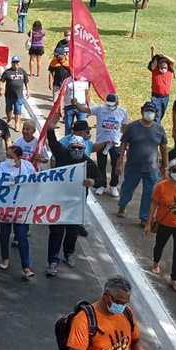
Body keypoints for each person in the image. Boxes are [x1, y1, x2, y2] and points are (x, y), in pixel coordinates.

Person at [67, 276, 154, 350]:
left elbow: (135, 339)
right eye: (119, 302)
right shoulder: (83, 321)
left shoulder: (127, 313)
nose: (122, 307)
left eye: (125, 303)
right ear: (106, 295)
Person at [46, 114, 104, 277]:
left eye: (80, 149)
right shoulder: (62, 154)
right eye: (74, 148)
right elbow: (52, 141)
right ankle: (52, 261)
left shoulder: (88, 162)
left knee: (72, 232)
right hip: (58, 202)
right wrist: (51, 128)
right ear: (69, 148)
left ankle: (69, 253)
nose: (77, 151)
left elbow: (101, 179)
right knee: (56, 233)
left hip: (76, 205)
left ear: (84, 149)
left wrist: (92, 182)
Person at [143, 159, 176, 293]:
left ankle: (175, 278)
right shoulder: (161, 187)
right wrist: (148, 223)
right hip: (164, 224)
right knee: (159, 245)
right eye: (175, 171)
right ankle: (156, 262)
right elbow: (153, 205)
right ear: (170, 172)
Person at [116, 102, 169, 226]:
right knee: (128, 188)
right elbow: (123, 143)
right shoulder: (132, 127)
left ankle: (144, 218)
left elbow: (164, 147)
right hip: (133, 167)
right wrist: (119, 162)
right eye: (147, 111)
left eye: (152, 111)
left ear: (155, 114)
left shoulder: (159, 129)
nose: (149, 114)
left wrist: (166, 166)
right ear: (142, 111)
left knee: (149, 194)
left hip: (151, 168)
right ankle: (122, 206)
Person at [72, 93, 128, 197]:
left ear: (117, 103)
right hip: (102, 142)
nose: (110, 107)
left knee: (115, 165)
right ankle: (102, 184)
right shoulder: (100, 109)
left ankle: (113, 185)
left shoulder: (123, 112)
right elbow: (85, 110)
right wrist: (76, 104)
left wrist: (124, 142)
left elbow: (124, 128)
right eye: (108, 104)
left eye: (112, 105)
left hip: (115, 143)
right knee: (101, 164)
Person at [0, 146, 37, 278]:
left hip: (21, 207)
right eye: (7, 155)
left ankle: (26, 266)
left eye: (10, 156)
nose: (7, 159)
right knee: (4, 234)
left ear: (19, 157)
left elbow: (34, 182)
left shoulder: (28, 166)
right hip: (6, 206)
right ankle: (5, 258)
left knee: (22, 236)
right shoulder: (2, 166)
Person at [0, 56, 30, 132]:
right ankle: (9, 119)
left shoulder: (23, 72)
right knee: (9, 109)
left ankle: (17, 124)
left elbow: (26, 82)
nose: (16, 64)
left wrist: (28, 91)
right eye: (14, 62)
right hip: (9, 95)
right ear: (11, 63)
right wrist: (1, 89)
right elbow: (1, 81)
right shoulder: (7, 72)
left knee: (18, 110)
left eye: (17, 62)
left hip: (19, 96)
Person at [148, 43, 176, 124]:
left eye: (165, 67)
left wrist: (164, 56)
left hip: (166, 98)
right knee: (157, 117)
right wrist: (153, 51)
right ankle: (156, 131)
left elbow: (173, 61)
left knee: (161, 115)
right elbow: (153, 60)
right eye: (162, 67)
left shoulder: (170, 71)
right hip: (156, 98)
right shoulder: (155, 71)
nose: (163, 69)